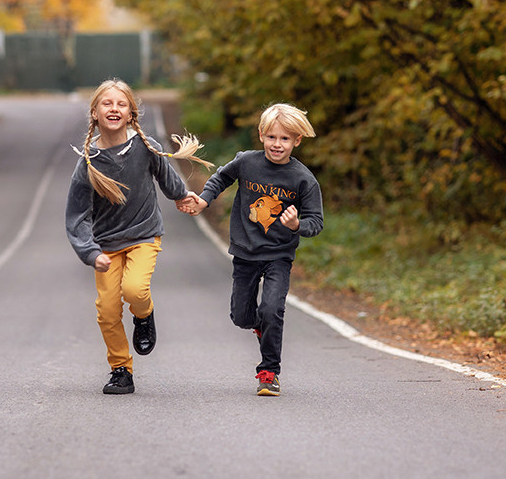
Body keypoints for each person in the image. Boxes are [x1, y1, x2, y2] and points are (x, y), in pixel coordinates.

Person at [65, 78, 212, 395]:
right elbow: (77, 215)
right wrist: (90, 252)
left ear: (131, 113)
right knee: (107, 311)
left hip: (144, 235)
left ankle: (144, 316)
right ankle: (121, 370)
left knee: (135, 289)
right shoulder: (89, 161)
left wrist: (181, 196)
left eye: (121, 104)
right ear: (95, 113)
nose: (114, 108)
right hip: (106, 246)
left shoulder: (145, 147)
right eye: (107, 103)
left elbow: (167, 177)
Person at [182, 103, 322, 396]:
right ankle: (261, 325)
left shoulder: (303, 178)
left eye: (285, 138)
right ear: (261, 135)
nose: (277, 144)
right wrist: (205, 200)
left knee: (272, 309)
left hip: (279, 255)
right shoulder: (247, 162)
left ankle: (269, 372)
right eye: (271, 137)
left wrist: (296, 224)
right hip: (246, 252)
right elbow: (221, 177)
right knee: (241, 317)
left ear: (297, 140)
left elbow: (315, 221)